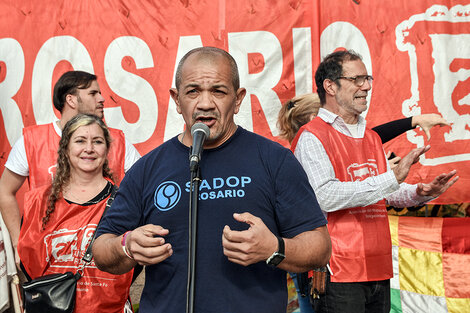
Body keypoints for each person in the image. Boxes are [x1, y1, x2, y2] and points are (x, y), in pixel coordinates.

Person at [92, 47, 331, 313]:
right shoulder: (147, 169)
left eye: (218, 91)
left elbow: (320, 247)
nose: (205, 103)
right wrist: (126, 246)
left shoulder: (274, 160)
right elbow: (101, 248)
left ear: (238, 99)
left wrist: (275, 248)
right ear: (176, 98)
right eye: (193, 91)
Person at [291, 50, 458, 313]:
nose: (366, 86)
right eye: (357, 79)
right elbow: (325, 196)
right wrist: (391, 178)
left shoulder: (369, 137)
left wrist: (421, 192)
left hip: (378, 268)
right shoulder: (311, 136)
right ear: (330, 86)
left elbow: (384, 192)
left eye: (367, 78)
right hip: (339, 270)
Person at [0, 70, 140, 267]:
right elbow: (5, 191)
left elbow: (145, 190)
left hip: (101, 259)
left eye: (97, 142)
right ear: (71, 100)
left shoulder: (118, 141)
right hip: (48, 260)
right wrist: (18, 243)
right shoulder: (32, 141)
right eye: (93, 93)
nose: (102, 99)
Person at [17, 114, 133, 313]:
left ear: (106, 150)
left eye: (97, 141)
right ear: (66, 149)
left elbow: (132, 260)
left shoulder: (125, 202)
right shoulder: (39, 202)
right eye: (80, 141)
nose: (89, 148)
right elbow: (28, 262)